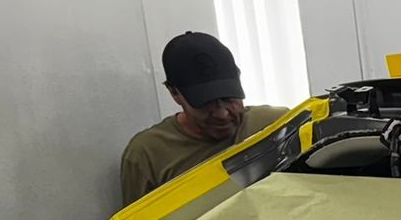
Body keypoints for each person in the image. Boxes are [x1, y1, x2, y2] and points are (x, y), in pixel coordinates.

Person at [118, 32, 289, 206]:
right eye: (206, 103)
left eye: (229, 98)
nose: (222, 114)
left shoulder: (279, 125)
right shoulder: (147, 155)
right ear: (174, 93)